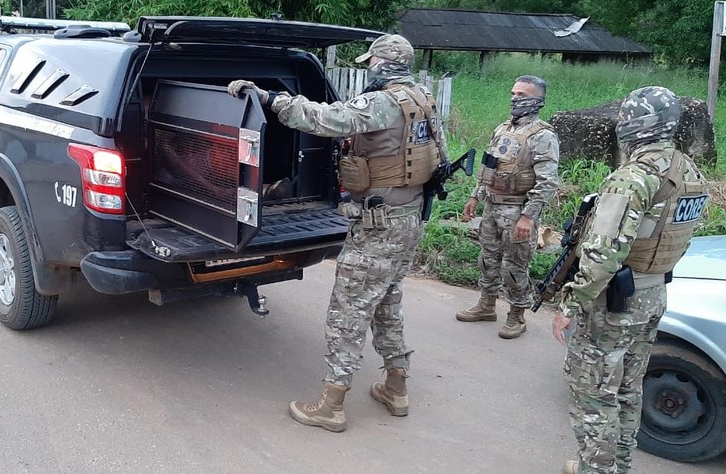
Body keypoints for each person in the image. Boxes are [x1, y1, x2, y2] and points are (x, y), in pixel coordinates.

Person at [228, 33, 450, 432]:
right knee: (387, 301)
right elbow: (440, 155)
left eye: (371, 63)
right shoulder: (421, 98)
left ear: (381, 64)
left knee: (348, 312)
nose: (369, 69)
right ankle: (396, 386)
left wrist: (269, 98)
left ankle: (331, 405)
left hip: (378, 225)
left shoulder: (382, 103)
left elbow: (324, 119)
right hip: (408, 219)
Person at [553, 87, 708, 474]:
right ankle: (618, 465)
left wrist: (571, 304)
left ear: (634, 125)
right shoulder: (689, 171)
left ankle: (596, 470)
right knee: (627, 389)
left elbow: (604, 253)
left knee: (594, 394)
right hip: (653, 293)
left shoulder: (634, 178)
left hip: (614, 302)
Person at [457, 75, 560, 339]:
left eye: (522, 95)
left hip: (518, 210)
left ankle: (517, 315)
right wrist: (475, 197)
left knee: (515, 266)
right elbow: (488, 168)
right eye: (513, 94)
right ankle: (486, 305)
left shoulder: (543, 135)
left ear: (537, 100)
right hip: (492, 206)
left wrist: (528, 217)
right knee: (487, 259)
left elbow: (548, 181)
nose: (515, 99)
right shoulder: (503, 129)